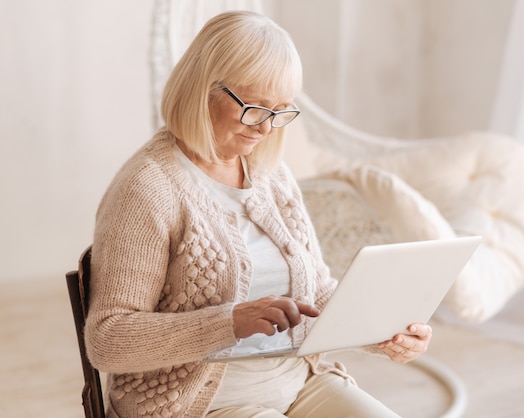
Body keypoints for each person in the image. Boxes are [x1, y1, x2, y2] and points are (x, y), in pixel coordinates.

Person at [84, 10, 432, 418]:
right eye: (255, 107)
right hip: (196, 404)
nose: (267, 128)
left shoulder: (271, 176)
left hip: (297, 381)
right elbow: (108, 340)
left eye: (281, 111)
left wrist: (383, 333)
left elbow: (315, 293)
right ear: (203, 89)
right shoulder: (148, 188)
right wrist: (230, 321)